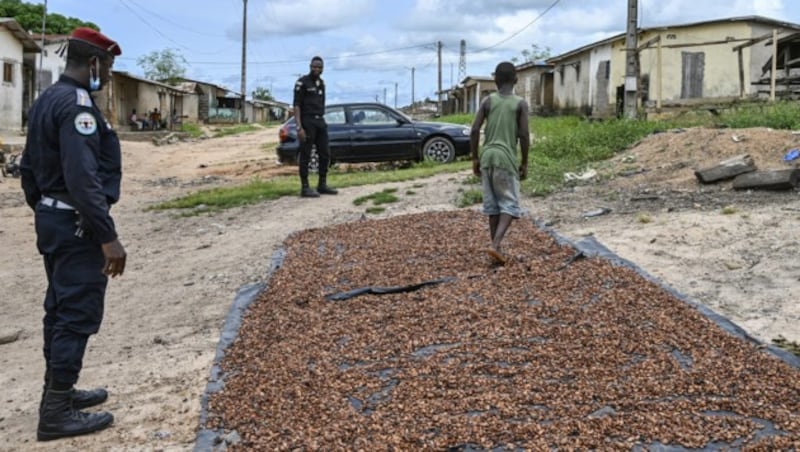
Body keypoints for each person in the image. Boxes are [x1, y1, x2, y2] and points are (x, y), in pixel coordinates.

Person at [19, 27, 127, 441]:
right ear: (95, 63)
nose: (110, 75)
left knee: (58, 308)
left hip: (56, 219)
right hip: (77, 224)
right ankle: (56, 412)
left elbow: (29, 169)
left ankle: (59, 393)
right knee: (77, 313)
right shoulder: (79, 105)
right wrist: (106, 235)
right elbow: (83, 179)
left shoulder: (47, 98)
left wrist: (47, 211)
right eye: (110, 66)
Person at [469, 61, 530, 265]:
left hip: (487, 157)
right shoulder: (520, 103)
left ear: (495, 80)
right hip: (505, 158)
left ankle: (495, 252)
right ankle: (495, 246)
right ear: (516, 80)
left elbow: (475, 130)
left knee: (493, 206)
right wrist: (525, 162)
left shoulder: (488, 101)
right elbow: (523, 134)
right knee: (510, 205)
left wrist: (475, 157)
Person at [293, 56, 337, 197]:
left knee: (325, 154)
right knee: (306, 155)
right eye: (314, 66)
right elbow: (296, 105)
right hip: (307, 121)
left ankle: (322, 184)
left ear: (322, 68)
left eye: (319, 67)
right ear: (310, 66)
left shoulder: (321, 83)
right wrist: (299, 127)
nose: (317, 69)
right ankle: (305, 188)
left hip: (320, 121)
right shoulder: (302, 82)